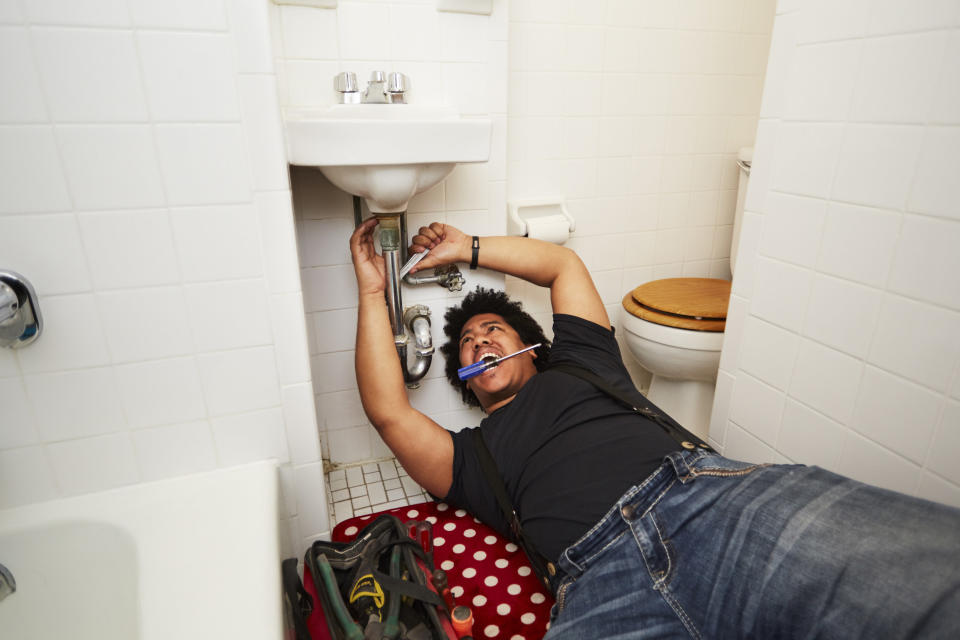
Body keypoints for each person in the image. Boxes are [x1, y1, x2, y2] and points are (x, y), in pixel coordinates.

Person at [350, 218, 960, 639]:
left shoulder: (584, 363)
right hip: (601, 581)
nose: (478, 342)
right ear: (464, 376)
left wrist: (468, 246)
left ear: (531, 346)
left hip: (707, 499)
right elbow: (389, 410)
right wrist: (374, 289)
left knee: (917, 585)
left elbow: (563, 265)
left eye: (492, 331)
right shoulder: (472, 457)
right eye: (467, 346)